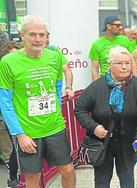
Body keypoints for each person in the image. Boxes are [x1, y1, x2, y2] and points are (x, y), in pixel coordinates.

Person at [0, 15, 76, 188]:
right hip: (28, 132)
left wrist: (56, 112)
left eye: (42, 35)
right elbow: (5, 102)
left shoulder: (54, 57)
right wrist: (19, 134)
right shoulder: (8, 62)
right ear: (22, 35)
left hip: (54, 127)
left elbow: (56, 89)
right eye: (33, 34)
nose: (38, 39)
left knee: (68, 170)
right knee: (32, 178)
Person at [74, 46, 137, 188]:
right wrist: (93, 127)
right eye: (119, 63)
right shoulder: (97, 86)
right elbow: (80, 109)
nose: (124, 67)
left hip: (128, 141)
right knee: (102, 180)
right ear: (110, 64)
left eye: (127, 63)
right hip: (102, 142)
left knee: (127, 178)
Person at [0, 40, 23, 188]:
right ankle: (14, 178)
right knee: (15, 148)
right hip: (7, 116)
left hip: (24, 115)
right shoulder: (4, 72)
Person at [89, 15, 133, 81]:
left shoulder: (125, 40)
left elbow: (132, 62)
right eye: (117, 25)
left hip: (125, 80)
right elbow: (95, 69)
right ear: (108, 26)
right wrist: (96, 88)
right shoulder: (97, 44)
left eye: (121, 25)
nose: (120, 28)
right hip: (107, 80)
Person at [46, 32, 74, 100]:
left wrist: (68, 88)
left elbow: (67, 70)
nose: (45, 40)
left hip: (52, 96)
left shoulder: (53, 50)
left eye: (47, 36)